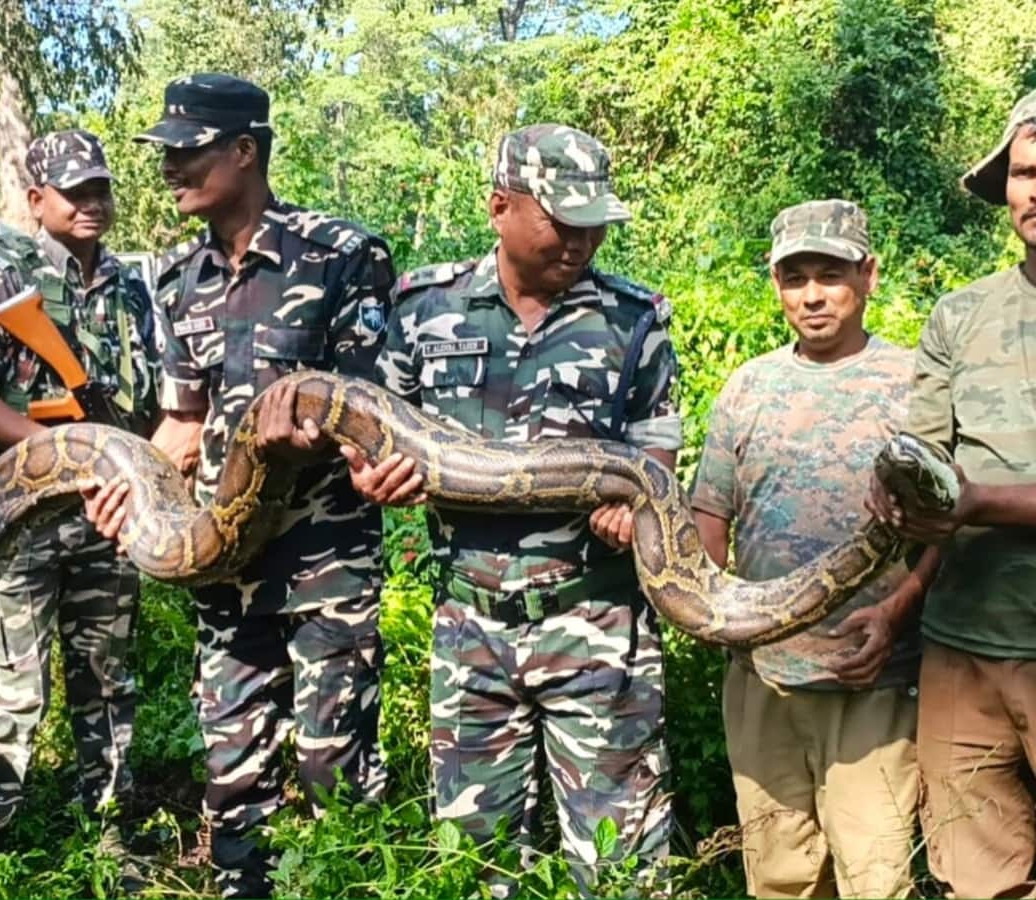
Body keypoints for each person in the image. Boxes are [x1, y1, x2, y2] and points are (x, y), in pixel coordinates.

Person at [348, 123, 679, 894]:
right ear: (500, 207)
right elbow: (370, 426)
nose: (582, 240)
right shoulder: (425, 308)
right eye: (563, 220)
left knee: (620, 870)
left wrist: (639, 514)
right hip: (471, 628)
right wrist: (370, 476)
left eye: (594, 222)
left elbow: (655, 457)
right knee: (474, 867)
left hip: (598, 623)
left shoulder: (635, 321)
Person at [90, 73, 395, 898]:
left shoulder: (342, 254)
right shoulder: (177, 278)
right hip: (223, 571)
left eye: (187, 152)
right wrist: (130, 487)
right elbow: (181, 425)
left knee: (338, 767)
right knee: (233, 778)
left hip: (324, 564)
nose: (170, 169)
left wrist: (304, 429)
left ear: (245, 151)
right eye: (167, 154)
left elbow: (374, 406)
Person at [691, 199, 937, 898]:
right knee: (779, 877)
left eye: (830, 274)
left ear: (868, 275)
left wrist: (898, 612)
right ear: (775, 286)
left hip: (873, 682)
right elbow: (711, 512)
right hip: (762, 681)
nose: (811, 295)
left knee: (876, 876)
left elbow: (951, 525)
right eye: (794, 277)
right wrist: (714, 611)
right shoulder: (748, 387)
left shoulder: (915, 382)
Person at [0, 131, 159, 838]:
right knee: (14, 688)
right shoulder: (1, 279)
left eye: (101, 188)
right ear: (37, 200)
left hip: (107, 515)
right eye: (75, 192)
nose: (93, 203)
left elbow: (153, 393)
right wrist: (63, 450)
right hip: (19, 520)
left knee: (106, 677)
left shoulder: (129, 284)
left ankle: (109, 831)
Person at [868, 88, 1036, 899]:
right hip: (965, 647)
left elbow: (965, 498)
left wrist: (979, 504)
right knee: (977, 879)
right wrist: (900, 499)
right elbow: (929, 468)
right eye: (1026, 173)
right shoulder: (960, 317)